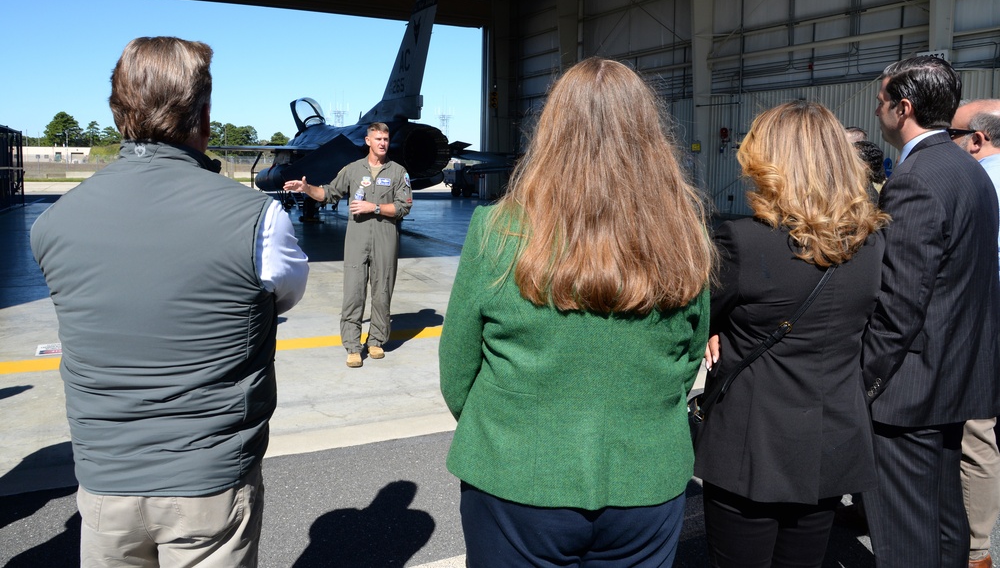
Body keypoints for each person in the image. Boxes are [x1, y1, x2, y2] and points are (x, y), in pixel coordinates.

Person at [30, 36, 309, 567]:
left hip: (103, 484)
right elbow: (286, 293)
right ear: (202, 115)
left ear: (118, 113)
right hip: (209, 484)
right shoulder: (259, 219)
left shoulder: (53, 223)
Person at [439, 57, 715, 567]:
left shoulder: (496, 230)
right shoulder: (685, 235)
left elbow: (458, 369)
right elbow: (687, 358)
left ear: (551, 131)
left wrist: (512, 432)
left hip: (516, 478)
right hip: (645, 479)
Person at [695, 101, 888, 568]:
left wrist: (712, 330)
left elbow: (698, 316)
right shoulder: (871, 242)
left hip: (750, 443)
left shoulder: (743, 241)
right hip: (830, 437)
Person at [862, 57, 1000, 568]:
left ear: (904, 107)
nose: (877, 112)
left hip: (910, 387)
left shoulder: (915, 179)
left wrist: (865, 380)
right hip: (957, 373)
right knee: (945, 522)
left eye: (881, 102)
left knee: (906, 534)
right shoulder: (970, 170)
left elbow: (900, 303)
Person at [283, 122, 412, 368]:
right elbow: (329, 193)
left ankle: (376, 341)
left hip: (385, 239)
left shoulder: (398, 172)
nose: (383, 143)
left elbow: (404, 206)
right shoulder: (353, 170)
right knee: (353, 293)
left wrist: (373, 207)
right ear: (368, 141)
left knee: (382, 292)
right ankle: (353, 346)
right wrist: (306, 188)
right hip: (357, 239)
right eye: (378, 139)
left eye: (385, 139)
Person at [950, 99, 1000, 568]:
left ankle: (974, 549)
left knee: (974, 434)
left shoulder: (977, 184)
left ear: (977, 140)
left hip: (978, 325)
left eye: (951, 134)